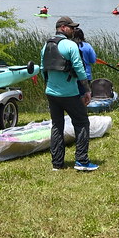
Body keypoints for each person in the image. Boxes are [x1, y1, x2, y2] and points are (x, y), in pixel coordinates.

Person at [40, 16, 96, 171]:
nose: (73, 30)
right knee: (82, 122)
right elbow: (79, 69)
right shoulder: (70, 45)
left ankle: (57, 164)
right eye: (71, 27)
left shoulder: (45, 46)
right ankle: (82, 161)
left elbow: (42, 69)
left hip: (51, 93)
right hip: (69, 93)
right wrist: (87, 90)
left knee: (57, 126)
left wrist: (49, 86)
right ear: (63, 27)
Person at [70, 26, 97, 96]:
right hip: (86, 75)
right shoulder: (87, 46)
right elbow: (93, 60)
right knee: (85, 96)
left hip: (72, 75)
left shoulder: (69, 45)